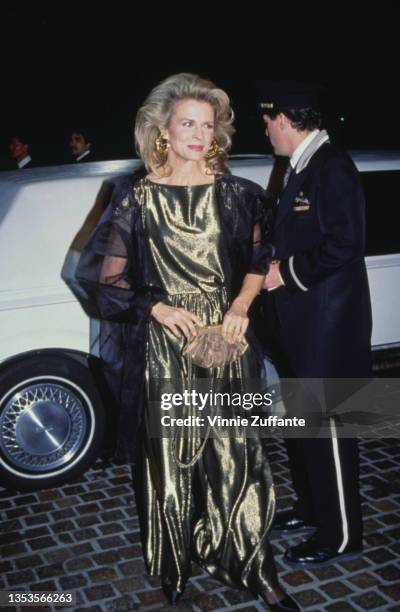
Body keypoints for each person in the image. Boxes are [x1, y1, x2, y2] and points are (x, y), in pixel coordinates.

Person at [77, 73, 299, 610]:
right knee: (170, 458)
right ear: (163, 131)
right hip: (165, 344)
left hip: (227, 338)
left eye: (208, 124)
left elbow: (258, 261)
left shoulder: (238, 194)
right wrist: (156, 306)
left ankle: (253, 564)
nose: (200, 134)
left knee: (236, 453)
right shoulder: (135, 197)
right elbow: (103, 279)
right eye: (187, 124)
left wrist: (241, 305)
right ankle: (174, 564)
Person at [257, 80, 372, 567]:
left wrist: (286, 273)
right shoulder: (299, 166)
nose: (265, 132)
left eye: (267, 122)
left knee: (328, 430)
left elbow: (347, 243)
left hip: (328, 329)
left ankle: (342, 533)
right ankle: (312, 508)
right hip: (304, 326)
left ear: (285, 119)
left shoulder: (332, 168)